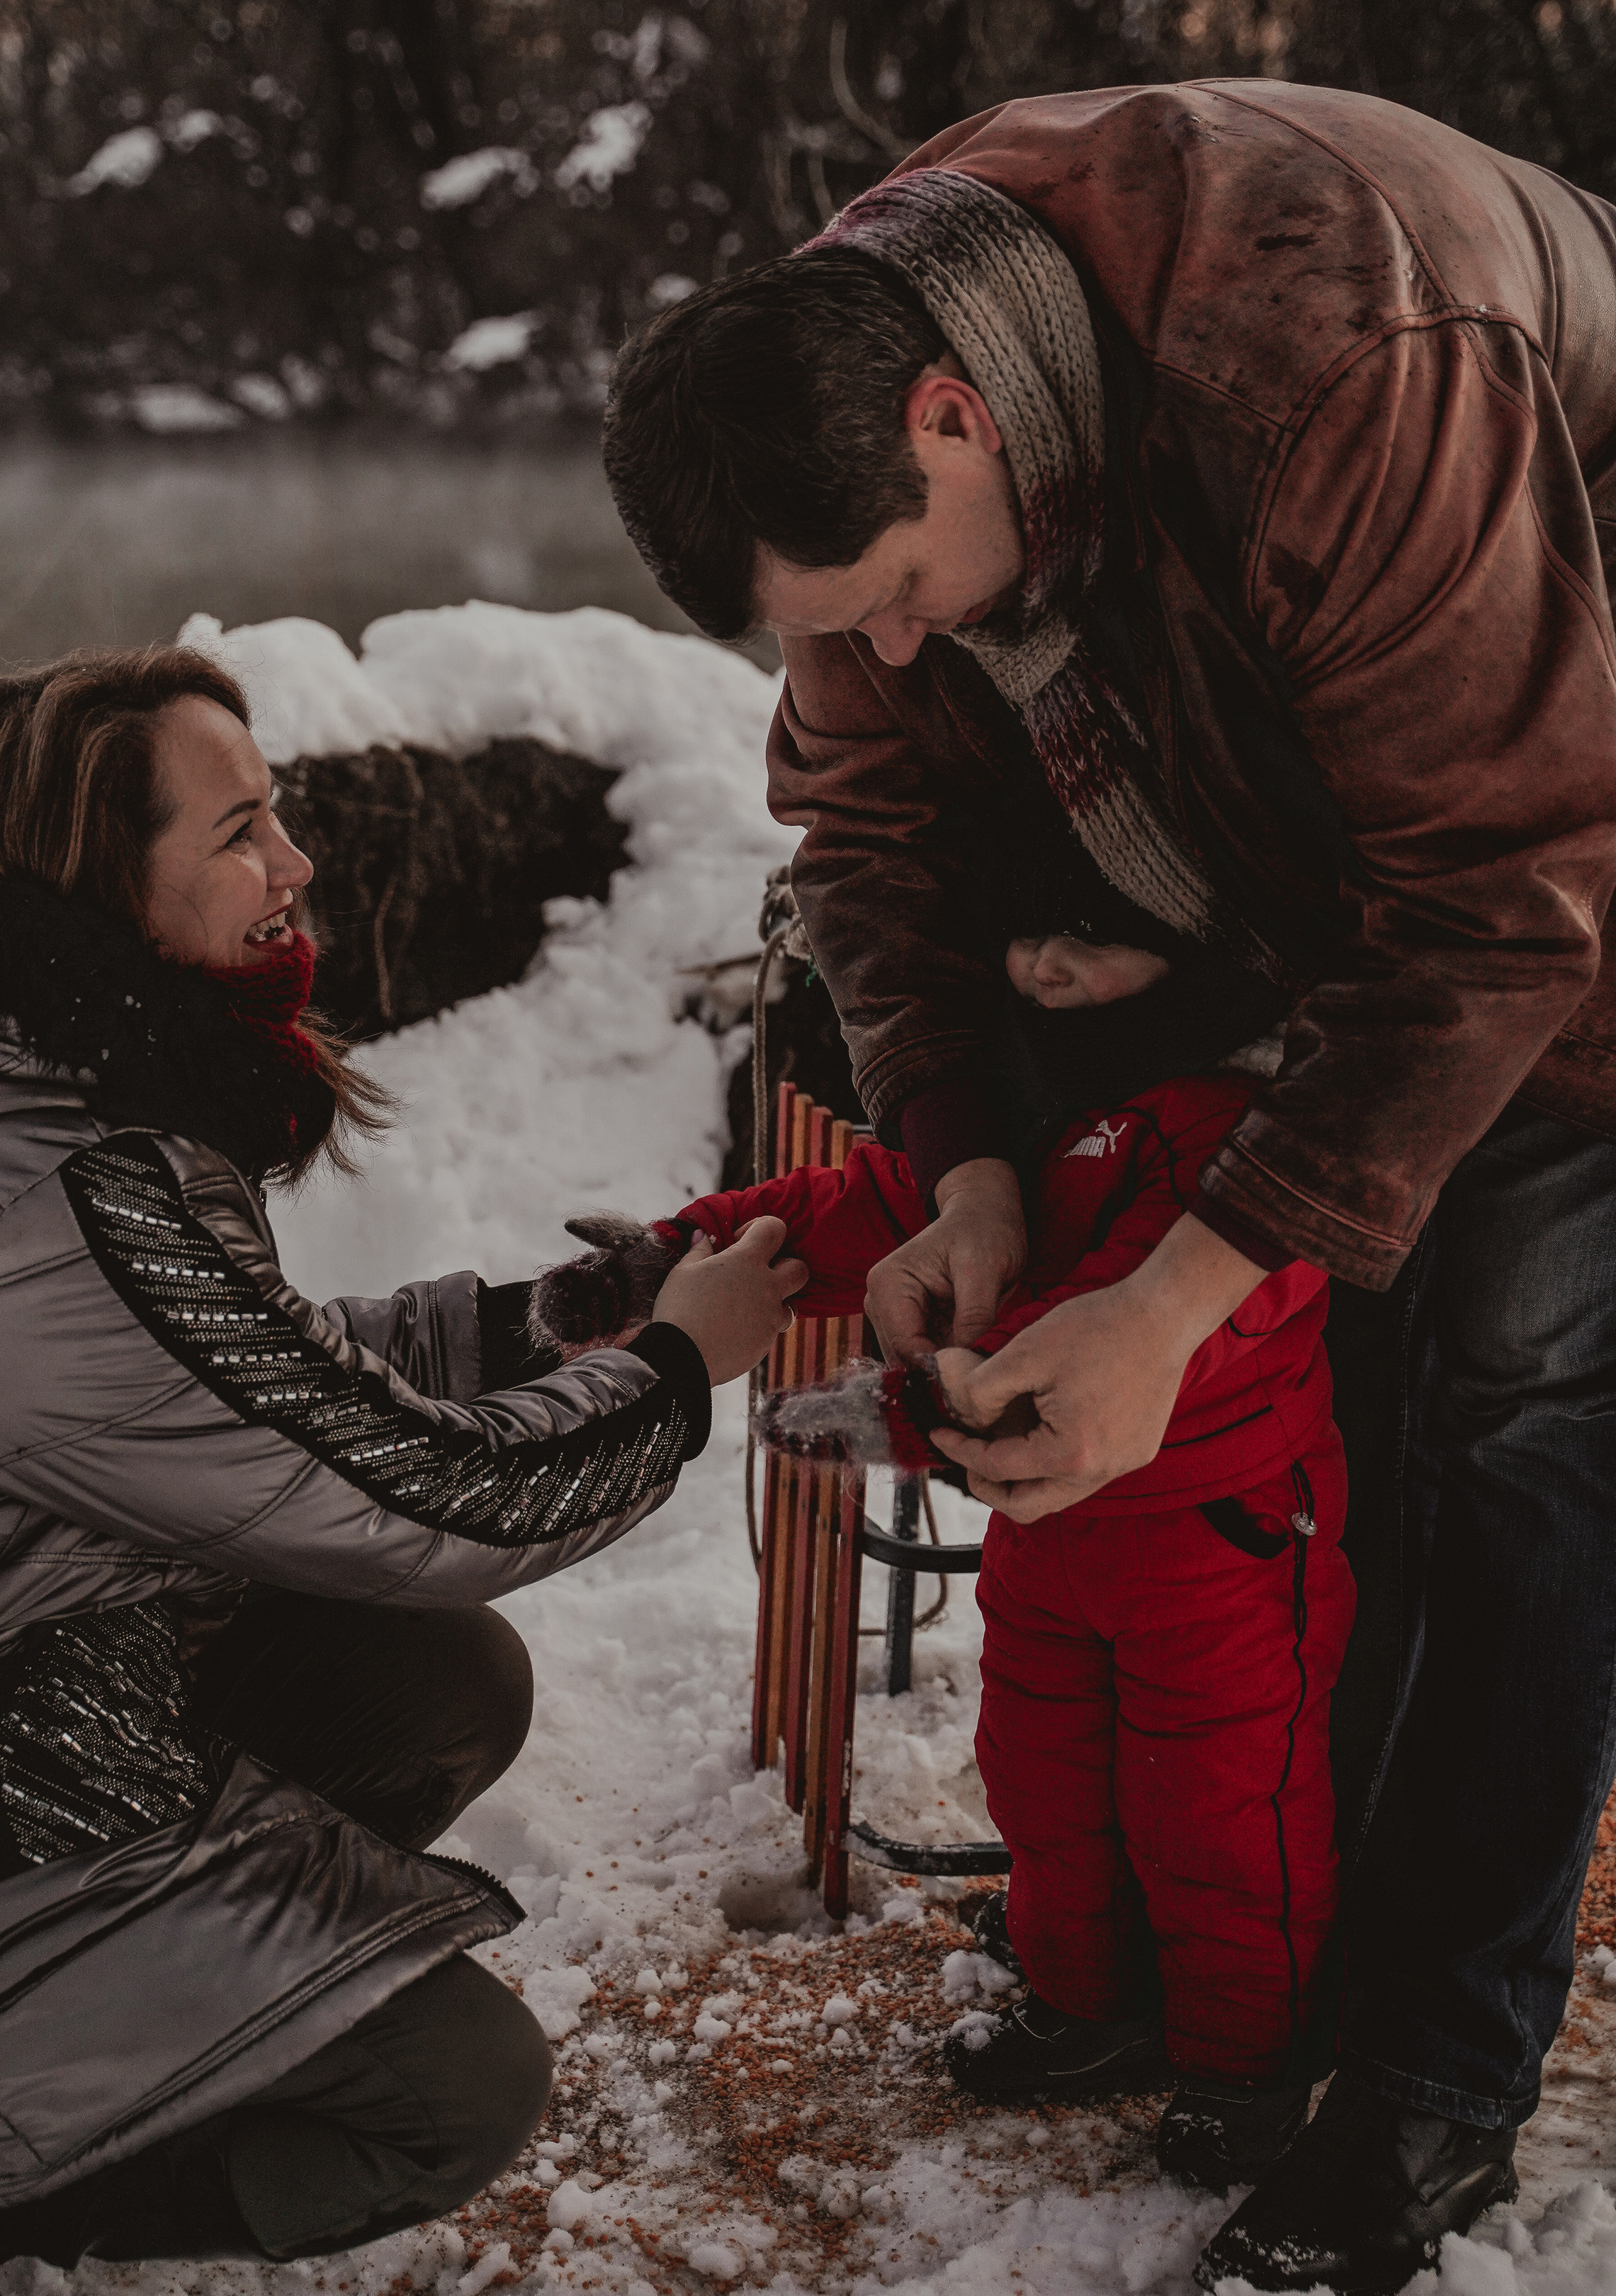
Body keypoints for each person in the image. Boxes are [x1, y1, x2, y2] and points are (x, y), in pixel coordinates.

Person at [602, 79, 1616, 2294]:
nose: (875, 657)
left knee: (1516, 1400)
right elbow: (867, 837)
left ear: (960, 423)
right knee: (1325, 1418)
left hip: (1561, 783)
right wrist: (957, 1168)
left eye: (884, 605)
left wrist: (1171, 1307)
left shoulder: (1338, 353)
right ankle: (1254, 1937)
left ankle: (1437, 2067)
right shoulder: (845, 413)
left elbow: (1505, 884)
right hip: (1312, 751)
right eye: (822, 630)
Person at [0, 647, 801, 2296]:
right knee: (456, 2097)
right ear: (100, 887)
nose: (298, 866)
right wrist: (681, 1371)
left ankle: (121, 2034)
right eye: (243, 831)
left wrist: (523, 1328)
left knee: (434, 1687)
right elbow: (424, 1505)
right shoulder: (38, 1203)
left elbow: (206, 1381)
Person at [534, 893, 1352, 2191]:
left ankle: (1240, 2065)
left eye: (1095, 936)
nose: (1046, 962)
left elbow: (1131, 1332)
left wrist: (904, 1412)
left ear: (1201, 954)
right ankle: (1092, 2008)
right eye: (1030, 931)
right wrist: (686, 1252)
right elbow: (865, 1203)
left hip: (1213, 1547)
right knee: (1041, 1780)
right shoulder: (1026, 1103)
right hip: (1048, 1534)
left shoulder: (1246, 1140)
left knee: (1223, 1816)